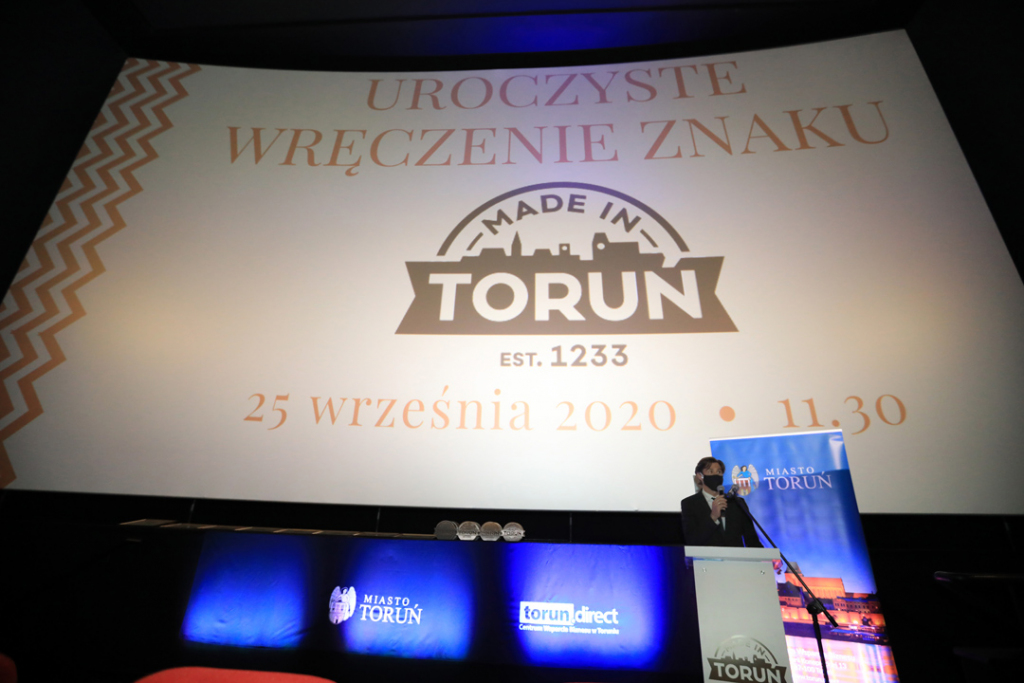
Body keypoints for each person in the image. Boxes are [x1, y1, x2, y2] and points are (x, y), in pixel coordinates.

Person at [680, 456, 763, 547]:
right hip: (708, 556)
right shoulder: (690, 504)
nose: (716, 475)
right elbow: (692, 540)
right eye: (710, 471)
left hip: (736, 556)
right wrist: (713, 517)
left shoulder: (736, 502)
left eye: (719, 472)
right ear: (700, 476)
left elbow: (752, 539)